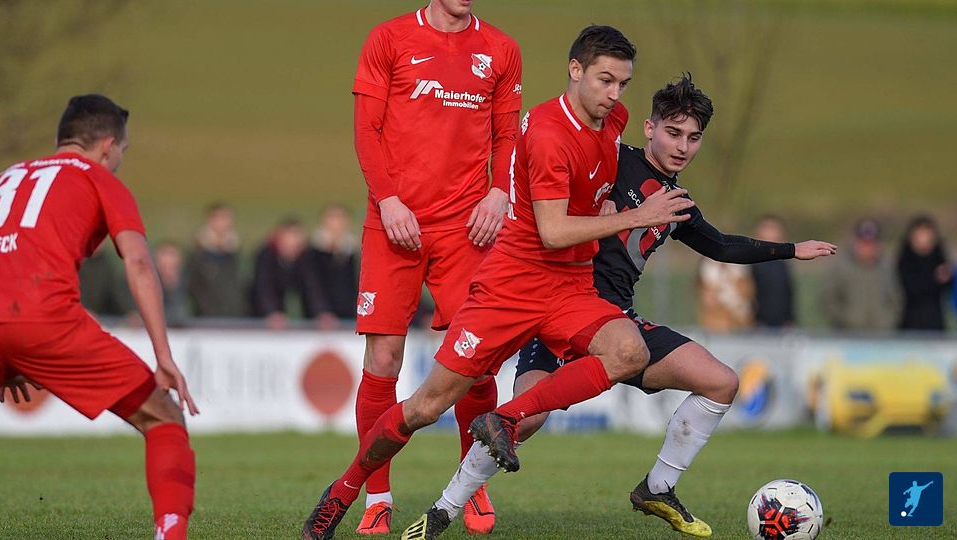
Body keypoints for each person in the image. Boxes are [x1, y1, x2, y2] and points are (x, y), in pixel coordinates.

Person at [302, 24, 697, 540]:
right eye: (605, 81)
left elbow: (596, 182)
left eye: (623, 83)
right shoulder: (549, 134)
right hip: (513, 285)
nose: (614, 94)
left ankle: (503, 421)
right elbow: (553, 232)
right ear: (575, 70)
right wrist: (636, 216)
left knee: (628, 352)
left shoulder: (613, 119)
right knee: (425, 406)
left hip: (570, 287)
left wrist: (613, 201)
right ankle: (347, 489)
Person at [411, 75, 837, 538]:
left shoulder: (676, 203)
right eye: (673, 133)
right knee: (523, 421)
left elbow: (721, 245)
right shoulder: (612, 160)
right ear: (650, 128)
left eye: (693, 137)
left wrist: (791, 250)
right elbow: (556, 193)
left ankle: (658, 488)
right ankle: (443, 510)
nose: (682, 147)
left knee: (721, 382)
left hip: (617, 323)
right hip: (561, 308)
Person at [347, 0, 522, 534]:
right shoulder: (388, 39)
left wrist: (499, 191)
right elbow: (366, 130)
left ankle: (471, 484)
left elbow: (508, 135)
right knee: (383, 358)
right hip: (393, 220)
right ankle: (378, 497)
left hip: (467, 226)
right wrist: (388, 200)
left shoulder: (501, 49)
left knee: (476, 360)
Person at [0, 95, 198, 539]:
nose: (120, 159)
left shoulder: (8, 176)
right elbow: (138, 263)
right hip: (43, 318)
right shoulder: (98, 178)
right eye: (123, 150)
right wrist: (163, 354)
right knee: (163, 418)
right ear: (108, 146)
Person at [819, 218, 902, 331]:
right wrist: (844, 320)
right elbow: (827, 299)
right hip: (847, 334)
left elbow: (896, 300)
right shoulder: (841, 268)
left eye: (871, 243)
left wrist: (886, 321)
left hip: (880, 335)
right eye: (863, 243)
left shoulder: (887, 268)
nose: (867, 248)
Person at [250, 217, 320, 329]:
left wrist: (321, 313)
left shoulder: (305, 257)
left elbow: (312, 286)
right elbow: (264, 287)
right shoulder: (266, 256)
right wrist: (272, 312)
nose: (292, 248)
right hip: (260, 317)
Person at [187, 203, 245, 318]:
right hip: (207, 317)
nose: (226, 223)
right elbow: (193, 286)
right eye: (221, 218)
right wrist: (205, 308)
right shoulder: (199, 253)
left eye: (228, 218)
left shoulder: (235, 251)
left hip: (235, 315)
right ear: (211, 220)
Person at [897, 215, 952, 331]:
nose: (923, 240)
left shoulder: (939, 259)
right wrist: (935, 279)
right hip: (909, 325)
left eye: (926, 236)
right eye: (919, 236)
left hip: (936, 325)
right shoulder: (905, 261)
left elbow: (948, 287)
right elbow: (912, 287)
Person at [310, 204, 359, 330]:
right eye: (332, 218)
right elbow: (312, 285)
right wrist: (322, 311)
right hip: (319, 318)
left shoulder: (350, 250)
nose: (336, 224)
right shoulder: (314, 250)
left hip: (348, 314)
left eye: (340, 218)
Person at [750, 215, 795, 328]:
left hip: (780, 325)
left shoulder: (782, 265)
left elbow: (787, 295)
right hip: (758, 326)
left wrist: (789, 320)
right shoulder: (750, 265)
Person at [697, 258, 755, 332]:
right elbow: (708, 298)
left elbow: (747, 291)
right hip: (719, 313)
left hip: (739, 315)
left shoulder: (741, 265)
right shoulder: (708, 266)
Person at [155, 241, 189, 327]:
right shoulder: (148, 287)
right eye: (165, 266)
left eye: (173, 266)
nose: (168, 272)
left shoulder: (191, 284)